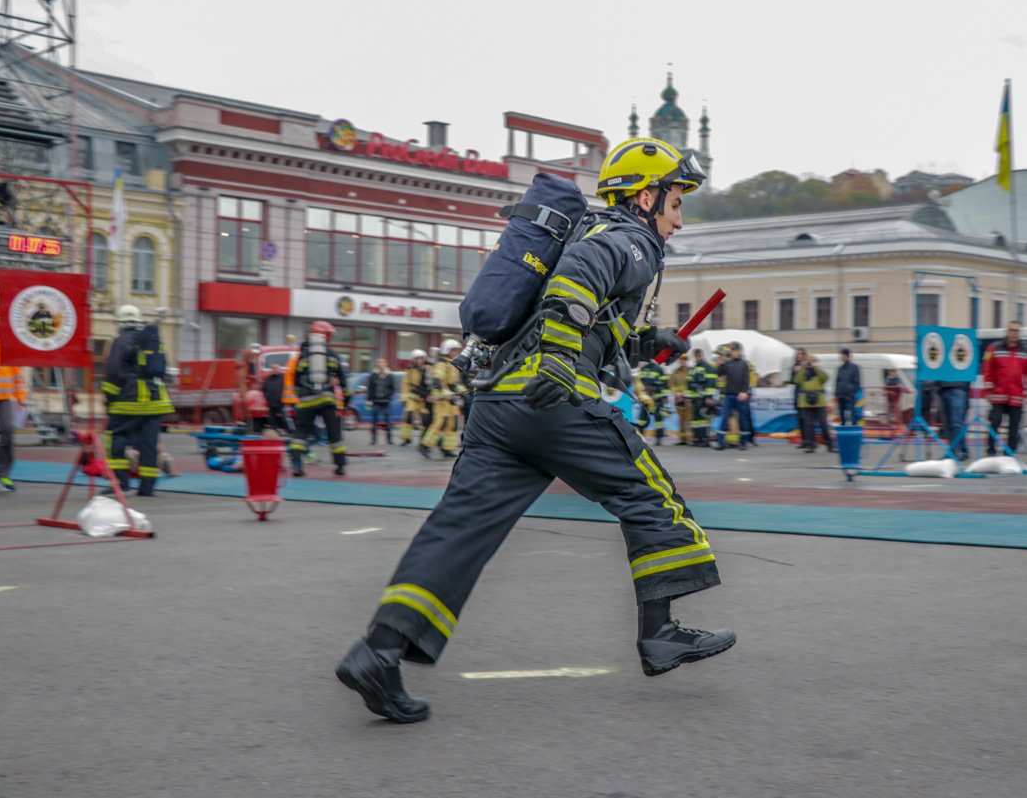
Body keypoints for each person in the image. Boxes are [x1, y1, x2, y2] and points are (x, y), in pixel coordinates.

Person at [336, 137, 733, 723]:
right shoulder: (631, 239)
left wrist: (651, 342)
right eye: (676, 201)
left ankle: (380, 652)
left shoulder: (591, 234)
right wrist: (556, 361)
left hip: (498, 406)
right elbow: (575, 283)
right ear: (646, 196)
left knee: (460, 528)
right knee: (651, 495)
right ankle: (662, 631)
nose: (678, 218)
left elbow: (586, 315)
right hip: (551, 398)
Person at [103, 304, 173, 496]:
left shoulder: (121, 341)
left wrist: (109, 399)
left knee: (116, 440)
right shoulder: (152, 339)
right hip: (156, 401)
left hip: (128, 401)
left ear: (120, 323)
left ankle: (120, 483)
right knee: (148, 445)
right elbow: (162, 369)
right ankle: (147, 488)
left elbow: (114, 373)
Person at [286, 321, 348, 477]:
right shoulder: (332, 355)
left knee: (299, 434)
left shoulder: (302, 355)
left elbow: (296, 378)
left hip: (306, 400)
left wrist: (300, 395)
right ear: (326, 336)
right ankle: (340, 466)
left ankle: (297, 466)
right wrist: (346, 401)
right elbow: (343, 380)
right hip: (326, 400)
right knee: (334, 434)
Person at [982, 320, 1027, 456]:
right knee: (995, 421)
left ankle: (1010, 454)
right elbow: (987, 369)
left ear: (1020, 333)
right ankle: (990, 451)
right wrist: (988, 390)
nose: (1014, 334)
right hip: (998, 394)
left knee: (1015, 427)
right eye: (1012, 330)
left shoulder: (1025, 351)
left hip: (1016, 395)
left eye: (1017, 331)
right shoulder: (992, 348)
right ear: (1007, 332)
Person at [420, 340, 465, 458]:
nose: (456, 352)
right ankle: (425, 446)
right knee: (440, 423)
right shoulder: (441, 364)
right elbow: (437, 380)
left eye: (457, 350)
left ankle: (447, 449)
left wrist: (464, 390)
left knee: (452, 424)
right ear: (446, 350)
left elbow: (454, 383)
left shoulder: (453, 364)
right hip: (440, 398)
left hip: (451, 398)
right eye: (454, 350)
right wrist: (445, 391)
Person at [793, 352, 835, 453]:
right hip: (805, 402)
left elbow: (825, 378)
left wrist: (816, 368)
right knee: (808, 425)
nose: (809, 363)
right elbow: (797, 381)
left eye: (811, 361)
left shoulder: (818, 371)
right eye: (808, 361)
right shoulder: (802, 372)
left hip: (819, 402)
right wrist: (803, 368)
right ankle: (811, 444)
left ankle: (830, 444)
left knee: (823, 423)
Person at [715, 342, 753, 451]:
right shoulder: (728, 363)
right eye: (730, 350)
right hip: (728, 395)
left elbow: (746, 379)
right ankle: (721, 443)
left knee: (743, 419)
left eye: (733, 350)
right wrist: (721, 363)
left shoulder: (744, 364)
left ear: (739, 351)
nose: (731, 352)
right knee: (724, 418)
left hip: (740, 395)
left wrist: (744, 392)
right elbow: (719, 373)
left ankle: (743, 442)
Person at [398, 350, 431, 447]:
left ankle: (423, 439)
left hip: (424, 398)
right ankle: (406, 438)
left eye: (421, 358)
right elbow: (405, 384)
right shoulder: (410, 370)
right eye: (417, 359)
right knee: (408, 416)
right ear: (414, 360)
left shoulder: (429, 369)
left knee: (425, 419)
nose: (419, 361)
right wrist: (404, 397)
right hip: (412, 397)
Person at [688, 348, 719, 447]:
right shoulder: (693, 368)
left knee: (704, 419)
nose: (698, 357)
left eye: (699, 355)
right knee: (696, 420)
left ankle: (705, 439)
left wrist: (708, 397)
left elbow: (711, 383)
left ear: (702, 355)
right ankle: (698, 438)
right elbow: (690, 384)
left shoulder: (708, 367)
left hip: (704, 398)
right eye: (696, 356)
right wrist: (688, 397)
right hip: (695, 399)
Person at [635, 358, 670, 445]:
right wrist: (642, 391)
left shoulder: (659, 369)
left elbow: (664, 384)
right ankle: (640, 439)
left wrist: (663, 396)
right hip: (646, 399)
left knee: (659, 420)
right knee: (642, 419)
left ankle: (659, 439)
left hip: (657, 398)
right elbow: (639, 383)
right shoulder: (643, 368)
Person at [937, 379, 971, 460]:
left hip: (957, 387)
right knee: (949, 424)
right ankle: (957, 451)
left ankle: (958, 451)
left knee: (956, 423)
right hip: (944, 388)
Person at [366, 357, 395, 446]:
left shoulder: (389, 375)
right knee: (374, 421)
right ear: (377, 364)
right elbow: (370, 388)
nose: (381, 364)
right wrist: (369, 399)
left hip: (386, 401)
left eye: (383, 362)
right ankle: (374, 440)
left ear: (385, 364)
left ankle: (389, 440)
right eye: (379, 362)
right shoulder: (373, 375)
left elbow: (392, 388)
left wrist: (389, 396)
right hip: (375, 401)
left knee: (388, 421)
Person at [668, 353, 691, 445]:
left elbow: (692, 385)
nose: (683, 361)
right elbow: (671, 384)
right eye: (681, 359)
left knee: (689, 419)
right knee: (681, 420)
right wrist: (676, 393)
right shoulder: (675, 372)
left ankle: (691, 439)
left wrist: (684, 394)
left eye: (685, 359)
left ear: (687, 360)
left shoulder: (691, 371)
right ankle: (683, 439)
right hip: (678, 400)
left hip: (688, 399)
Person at [834, 348, 861, 426]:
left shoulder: (854, 368)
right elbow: (837, 381)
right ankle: (843, 432)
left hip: (849, 397)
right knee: (842, 417)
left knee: (851, 416)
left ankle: (853, 432)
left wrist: (850, 392)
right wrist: (837, 393)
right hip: (841, 396)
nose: (841, 357)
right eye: (841, 355)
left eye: (843, 355)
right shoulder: (840, 368)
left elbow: (856, 382)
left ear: (848, 356)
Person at [261, 363, 289, 433]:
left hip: (282, 402)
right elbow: (264, 389)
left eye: (275, 368)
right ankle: (274, 432)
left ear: (280, 369)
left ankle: (290, 431)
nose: (274, 370)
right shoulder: (268, 379)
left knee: (284, 418)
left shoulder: (285, 377)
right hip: (271, 402)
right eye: (272, 369)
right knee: (271, 419)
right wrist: (267, 398)